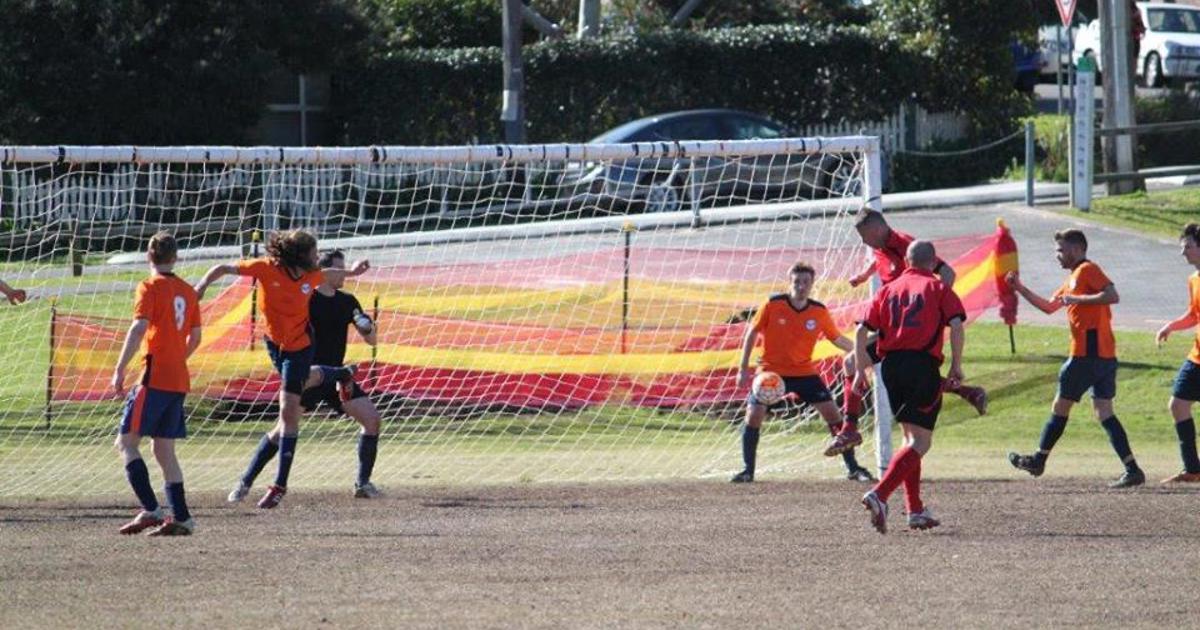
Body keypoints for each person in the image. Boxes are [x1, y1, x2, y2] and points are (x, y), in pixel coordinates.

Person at [195, 229, 370, 509]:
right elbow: (222, 267)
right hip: (275, 346)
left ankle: (278, 486)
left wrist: (354, 272)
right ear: (299, 256)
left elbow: (331, 274)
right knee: (288, 415)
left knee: (287, 413)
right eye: (314, 253)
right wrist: (202, 286)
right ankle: (338, 374)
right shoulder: (265, 268)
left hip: (301, 347)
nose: (317, 258)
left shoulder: (311, 275)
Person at [230, 250, 385, 498]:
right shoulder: (306, 297)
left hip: (335, 376)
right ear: (323, 273)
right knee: (281, 431)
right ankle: (244, 483)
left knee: (372, 420)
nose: (343, 274)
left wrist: (368, 327)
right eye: (338, 269)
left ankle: (362, 483)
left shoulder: (347, 301)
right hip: (307, 376)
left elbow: (371, 339)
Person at [835, 207, 987, 456]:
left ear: (876, 229)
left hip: (906, 325)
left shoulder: (906, 245)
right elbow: (879, 260)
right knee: (900, 372)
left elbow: (947, 272)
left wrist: (934, 304)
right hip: (893, 323)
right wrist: (864, 276)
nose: (863, 242)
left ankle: (850, 428)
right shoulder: (880, 247)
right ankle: (967, 391)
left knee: (855, 361)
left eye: (864, 236)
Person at [1005, 229, 1145, 488]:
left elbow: (1112, 295)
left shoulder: (1087, 270)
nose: (1057, 255)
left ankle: (1038, 460)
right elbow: (1049, 307)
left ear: (1077, 249)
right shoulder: (1073, 278)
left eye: (1061, 250)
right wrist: (1020, 288)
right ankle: (1133, 469)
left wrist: (1077, 298)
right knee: (1104, 412)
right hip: (1103, 355)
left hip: (1087, 354)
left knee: (1061, 406)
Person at [855, 240, 965, 534]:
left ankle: (915, 509)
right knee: (921, 442)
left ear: (906, 260)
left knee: (909, 439)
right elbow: (956, 324)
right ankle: (880, 494)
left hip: (890, 367)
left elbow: (860, 330)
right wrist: (956, 365)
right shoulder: (939, 288)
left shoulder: (888, 289)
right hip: (921, 366)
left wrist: (858, 369)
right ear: (933, 263)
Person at [733, 261, 874, 483]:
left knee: (834, 415)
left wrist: (863, 354)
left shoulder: (818, 311)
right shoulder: (772, 304)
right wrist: (743, 369)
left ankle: (853, 468)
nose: (801, 286)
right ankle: (747, 470)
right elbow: (752, 332)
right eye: (797, 281)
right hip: (770, 372)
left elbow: (836, 338)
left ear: (812, 284)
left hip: (804, 373)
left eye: (805, 282)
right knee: (754, 415)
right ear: (790, 283)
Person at [110, 232, 201, 536]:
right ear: (175, 257)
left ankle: (151, 510)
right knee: (164, 451)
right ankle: (182, 518)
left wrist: (120, 368)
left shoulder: (149, 286)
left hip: (153, 376)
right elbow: (196, 337)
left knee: (126, 443)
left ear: (149, 256)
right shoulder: (189, 291)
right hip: (178, 378)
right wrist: (178, 357)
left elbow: (138, 328)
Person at [1154, 223, 1200, 483]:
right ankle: (1192, 469)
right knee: (1178, 404)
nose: (1183, 253)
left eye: (1188, 247)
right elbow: (1194, 314)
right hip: (1197, 356)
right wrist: (1171, 326)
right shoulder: (1193, 279)